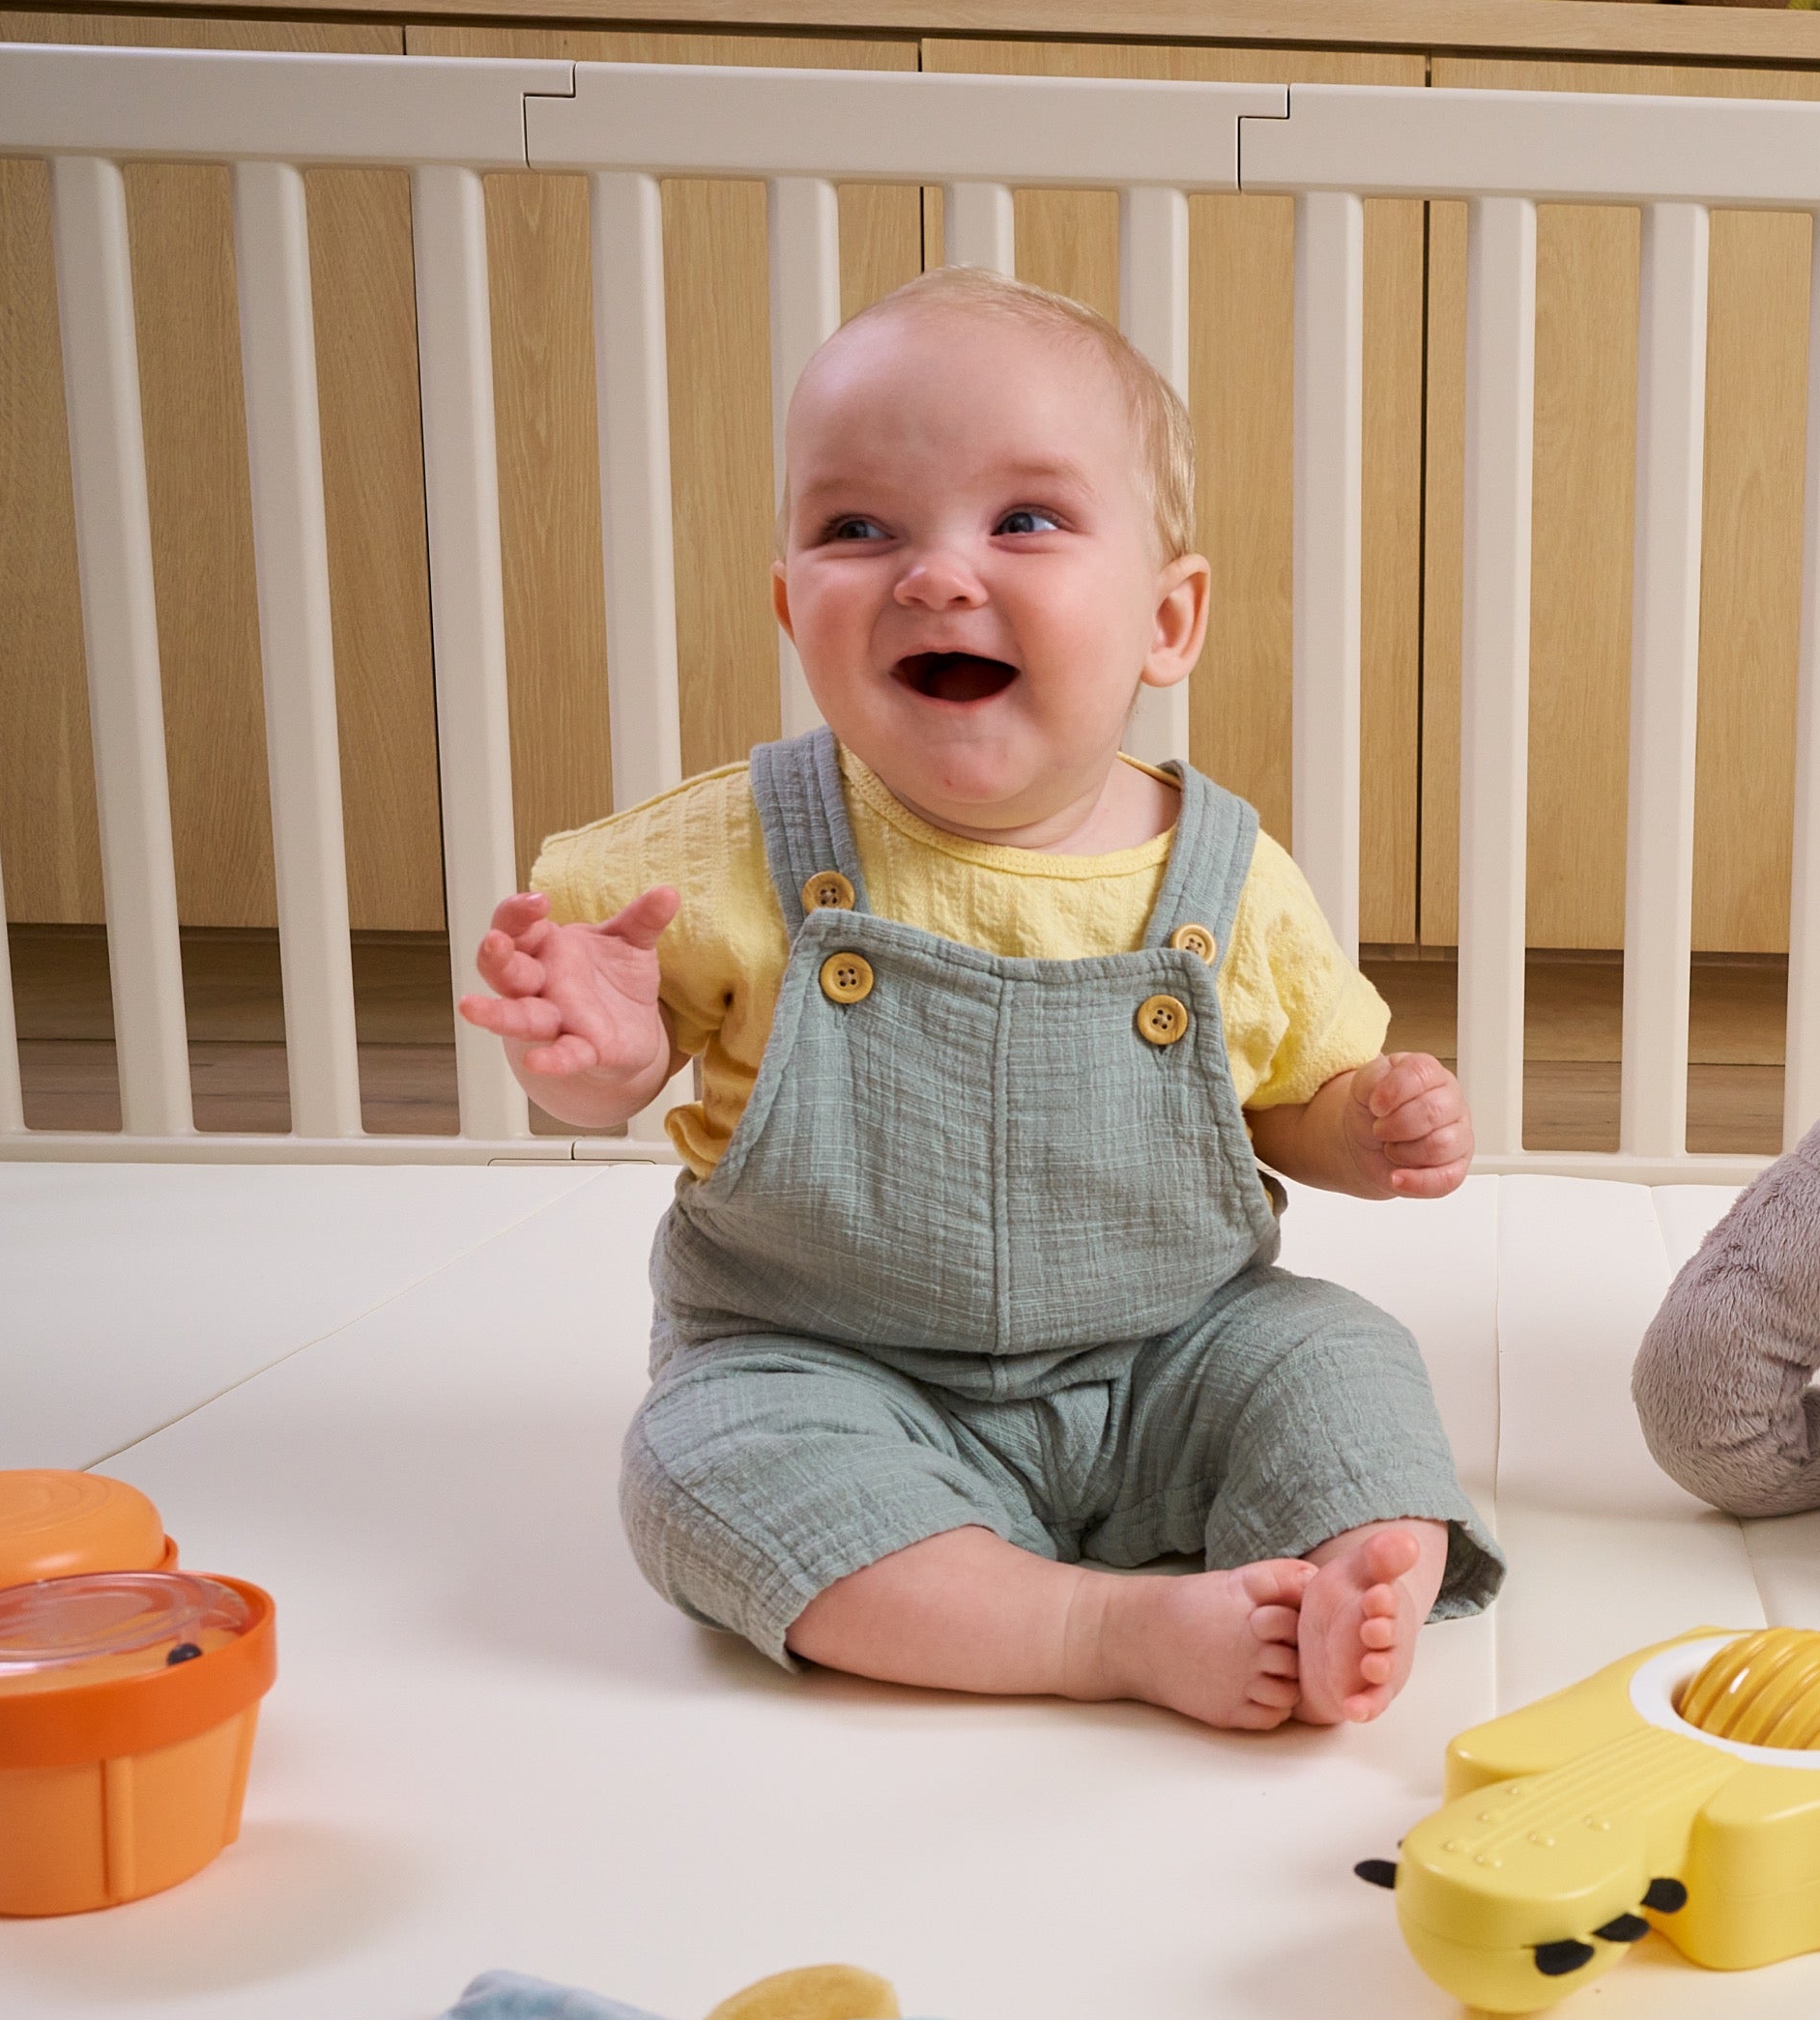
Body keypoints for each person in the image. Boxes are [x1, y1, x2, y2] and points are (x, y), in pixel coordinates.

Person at [460, 267, 1496, 1731]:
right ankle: (1102, 1628)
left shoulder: (1225, 878)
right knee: (698, 1463)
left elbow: (1295, 1104)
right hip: (829, 1366)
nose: (937, 576)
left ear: (1167, 620)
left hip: (1168, 1360)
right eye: (856, 528)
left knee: (1338, 1355)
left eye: (1024, 521)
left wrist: (1371, 1132)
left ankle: (1345, 1568)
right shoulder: (725, 850)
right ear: (789, 607)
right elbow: (595, 1076)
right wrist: (598, 1056)